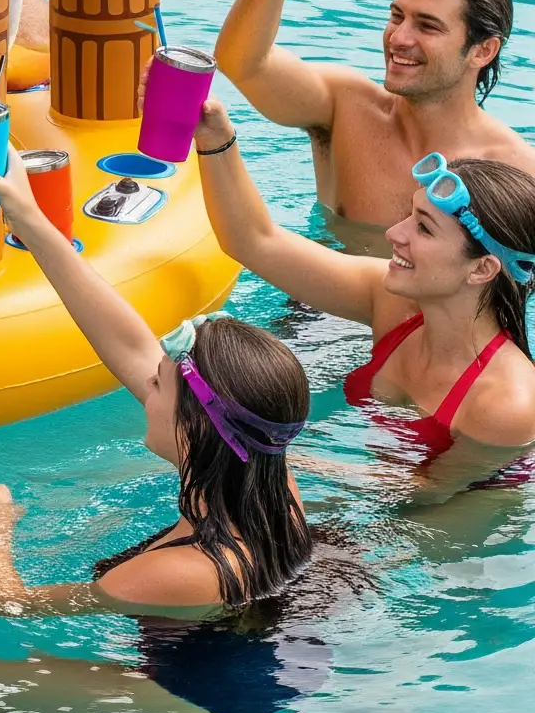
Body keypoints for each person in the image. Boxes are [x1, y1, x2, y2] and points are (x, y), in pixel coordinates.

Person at [0, 147, 333, 713]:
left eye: (156, 385)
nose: (143, 377)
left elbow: (8, 603)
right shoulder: (268, 484)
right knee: (188, 687)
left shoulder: (172, 570)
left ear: (189, 432)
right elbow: (123, 338)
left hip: (209, 697)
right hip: (276, 670)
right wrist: (32, 223)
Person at [194, 92, 535, 503]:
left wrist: (275, 455)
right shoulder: (393, 302)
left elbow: (426, 493)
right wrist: (216, 137)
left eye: (423, 229)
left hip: (444, 534)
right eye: (410, 215)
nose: (394, 234)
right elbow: (255, 242)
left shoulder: (508, 401)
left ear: (482, 269)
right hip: (363, 486)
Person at [214, 0, 535, 240]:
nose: (398, 38)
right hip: (315, 292)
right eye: (397, 16)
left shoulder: (518, 172)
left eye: (427, 26)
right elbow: (242, 62)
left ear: (483, 50)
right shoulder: (345, 106)